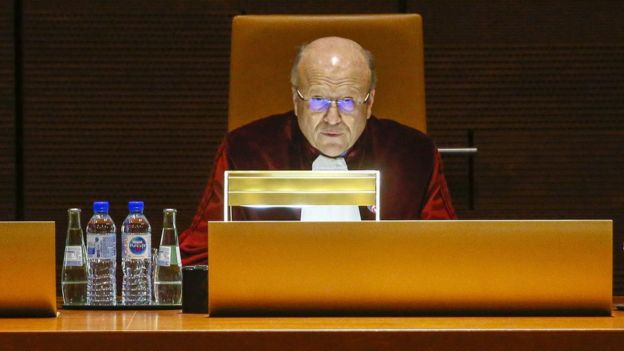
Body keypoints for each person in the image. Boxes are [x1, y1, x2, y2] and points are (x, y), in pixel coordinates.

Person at [180, 37, 456, 265]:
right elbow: (199, 255)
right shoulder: (247, 150)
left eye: (348, 101)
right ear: (295, 99)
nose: (333, 118)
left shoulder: (413, 155)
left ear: (370, 102)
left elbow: (448, 254)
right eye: (318, 100)